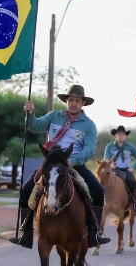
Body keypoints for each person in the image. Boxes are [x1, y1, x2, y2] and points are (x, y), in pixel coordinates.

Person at [9, 84, 111, 249]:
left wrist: (72, 161)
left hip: (74, 165)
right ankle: (26, 234)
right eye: (71, 100)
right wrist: (30, 113)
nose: (73, 103)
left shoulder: (89, 125)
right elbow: (34, 126)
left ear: (83, 103)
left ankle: (93, 234)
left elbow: (89, 149)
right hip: (51, 164)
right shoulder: (54, 116)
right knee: (27, 189)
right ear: (66, 101)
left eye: (77, 101)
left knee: (98, 191)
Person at [104, 125, 136, 214]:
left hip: (126, 170)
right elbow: (106, 159)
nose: (121, 135)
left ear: (125, 136)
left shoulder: (130, 146)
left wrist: (133, 167)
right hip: (114, 170)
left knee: (134, 182)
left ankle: (135, 205)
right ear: (115, 135)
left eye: (123, 134)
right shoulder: (109, 146)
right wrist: (111, 165)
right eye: (119, 134)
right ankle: (102, 203)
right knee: (103, 181)